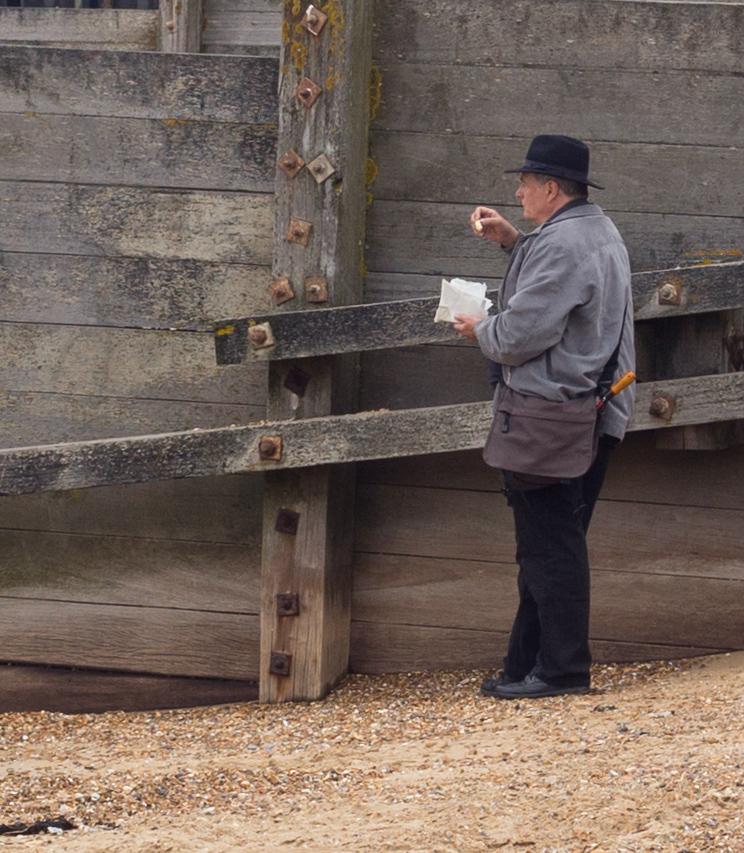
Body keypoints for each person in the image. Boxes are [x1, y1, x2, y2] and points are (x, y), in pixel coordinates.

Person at [454, 134, 635, 700]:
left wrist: (477, 327)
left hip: (550, 416)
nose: (518, 192)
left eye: (526, 185)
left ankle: (561, 672)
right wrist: (514, 241)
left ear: (551, 189)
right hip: (588, 413)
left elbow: (518, 336)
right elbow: (562, 289)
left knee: (549, 549)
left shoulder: (562, 245)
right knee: (551, 543)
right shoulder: (593, 229)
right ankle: (525, 664)